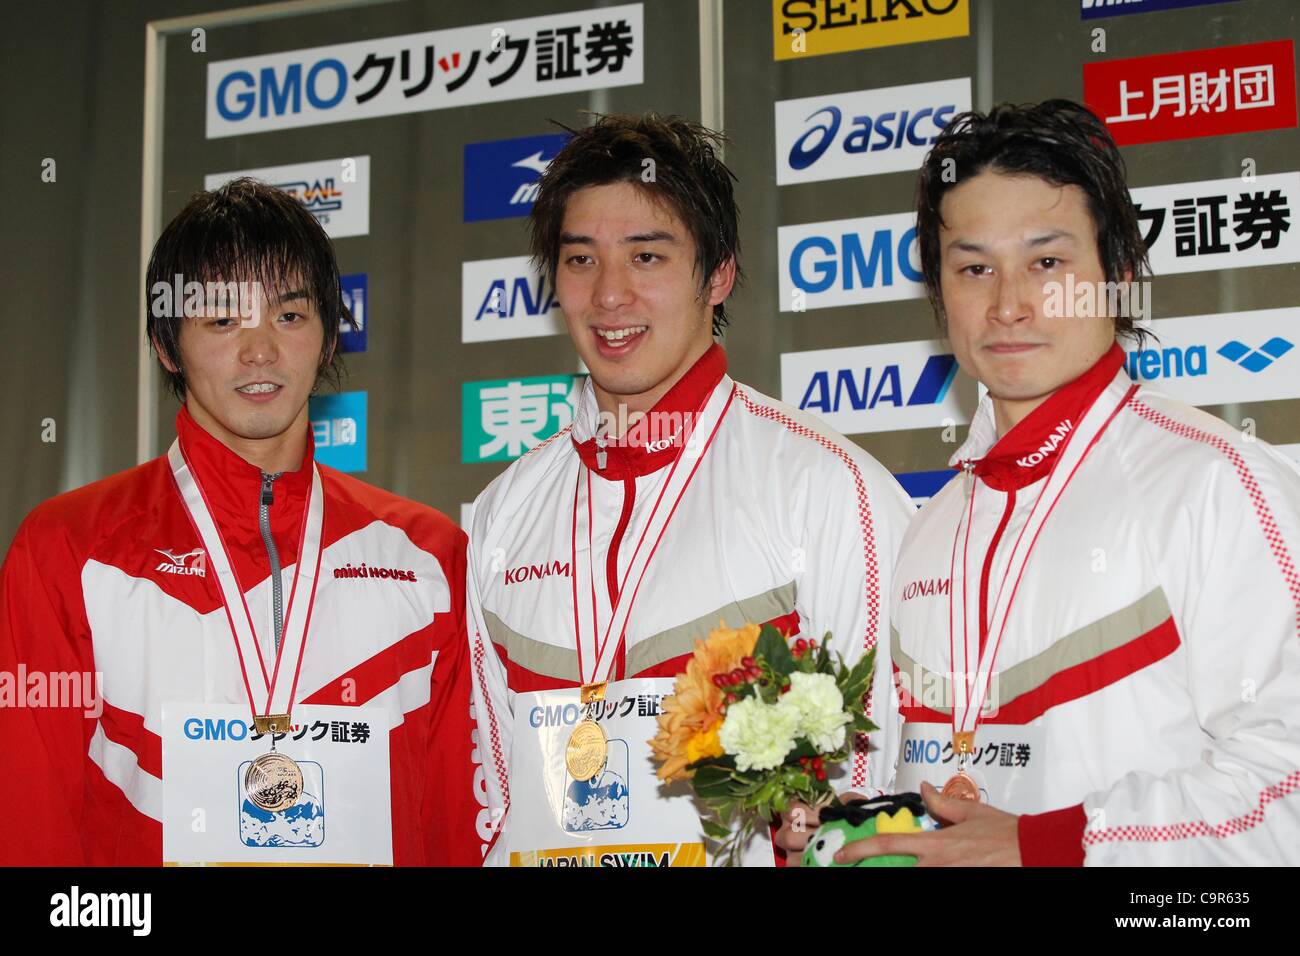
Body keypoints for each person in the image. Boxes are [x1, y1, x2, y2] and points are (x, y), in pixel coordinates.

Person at [834, 100, 1300, 865]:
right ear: (939, 294)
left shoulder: (1218, 483)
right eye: (974, 267)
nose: (1009, 303)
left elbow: (1287, 792)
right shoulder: (933, 526)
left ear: (1116, 276)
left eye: (1047, 263)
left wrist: (1043, 847)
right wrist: (865, 826)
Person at [466, 113, 915, 866]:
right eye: (580, 261)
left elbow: (878, 802)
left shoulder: (827, 490)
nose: (610, 295)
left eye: (647, 256)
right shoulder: (502, 515)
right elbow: (494, 805)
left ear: (718, 274)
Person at [0, 179, 480, 865]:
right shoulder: (68, 550)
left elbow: (454, 826)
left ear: (328, 334)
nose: (260, 351)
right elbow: (30, 826)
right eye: (223, 320)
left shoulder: (429, 558)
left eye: (289, 316)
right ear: (169, 345)